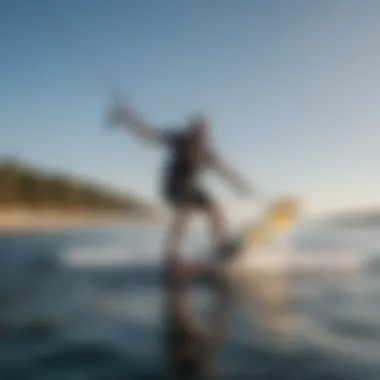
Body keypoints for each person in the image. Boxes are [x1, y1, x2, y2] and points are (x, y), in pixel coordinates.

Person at [107, 100, 254, 378]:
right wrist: (129, 120)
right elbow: (148, 135)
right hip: (172, 187)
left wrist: (241, 183)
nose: (200, 135)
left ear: (207, 133)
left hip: (191, 187)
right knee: (186, 210)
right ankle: (171, 253)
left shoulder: (208, 152)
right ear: (192, 130)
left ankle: (221, 244)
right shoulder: (178, 139)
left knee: (214, 208)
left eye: (204, 131)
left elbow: (225, 170)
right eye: (197, 130)